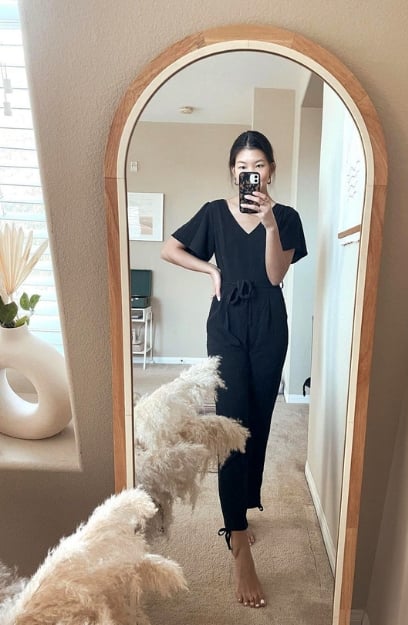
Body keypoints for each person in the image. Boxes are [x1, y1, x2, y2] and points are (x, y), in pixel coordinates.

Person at [161, 130, 307, 608]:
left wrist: (268, 226)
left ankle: (244, 504)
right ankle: (238, 537)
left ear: (271, 170)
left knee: (260, 423)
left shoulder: (285, 217)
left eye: (260, 164)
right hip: (226, 320)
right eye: (244, 165)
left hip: (269, 322)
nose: (252, 172)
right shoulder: (212, 212)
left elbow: (274, 276)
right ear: (233, 171)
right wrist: (211, 270)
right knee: (230, 426)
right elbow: (170, 248)